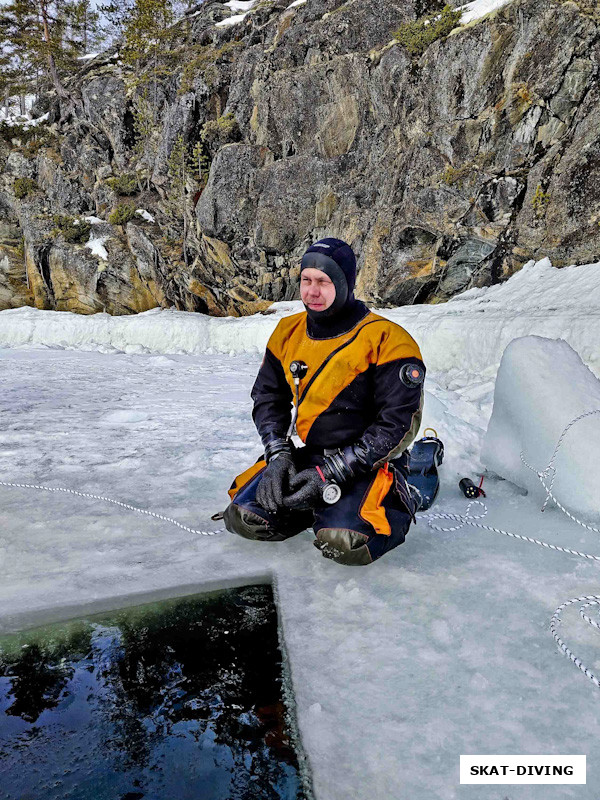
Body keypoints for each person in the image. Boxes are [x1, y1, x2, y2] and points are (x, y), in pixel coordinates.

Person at [223, 237, 426, 566]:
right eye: (306, 280)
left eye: (324, 282)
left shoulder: (388, 340)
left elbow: (397, 425)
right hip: (312, 457)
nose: (312, 292)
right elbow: (268, 398)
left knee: (346, 544)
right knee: (244, 518)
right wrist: (277, 456)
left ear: (346, 283)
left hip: (368, 463)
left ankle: (399, 496)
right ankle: (315, 506)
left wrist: (331, 473)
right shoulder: (288, 332)